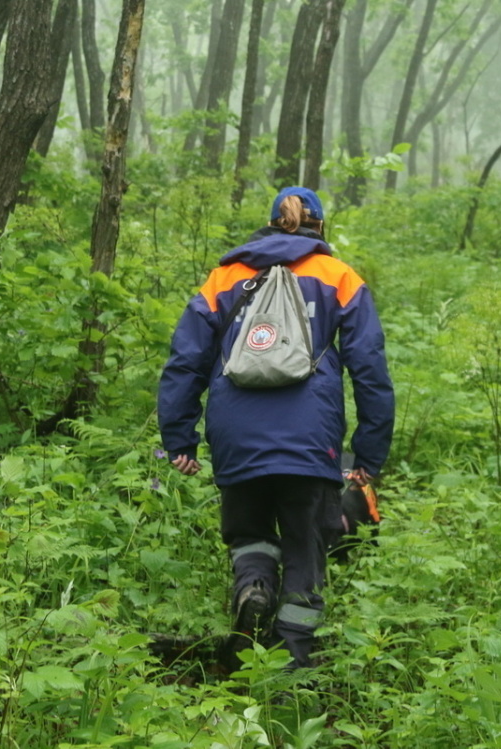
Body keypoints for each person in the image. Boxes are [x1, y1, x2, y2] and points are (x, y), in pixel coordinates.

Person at [157, 186, 395, 670]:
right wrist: (368, 454)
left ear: (270, 224)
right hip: (310, 442)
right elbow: (369, 367)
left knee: (248, 532)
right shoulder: (339, 278)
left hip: (236, 434)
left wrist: (180, 438)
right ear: (320, 228)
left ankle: (253, 587)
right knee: (306, 548)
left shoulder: (225, 277)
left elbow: (185, 361)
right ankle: (291, 668)